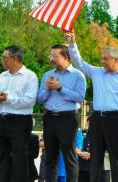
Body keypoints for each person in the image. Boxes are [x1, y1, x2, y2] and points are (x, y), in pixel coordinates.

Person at [68, 32, 118, 182]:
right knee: (95, 160)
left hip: (117, 121)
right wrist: (73, 44)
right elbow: (79, 62)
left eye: (105, 59)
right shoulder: (97, 72)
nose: (102, 62)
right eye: (102, 58)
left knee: (116, 159)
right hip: (97, 120)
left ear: (116, 60)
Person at [38, 44, 86, 182]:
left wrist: (60, 89)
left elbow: (79, 98)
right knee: (50, 158)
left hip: (68, 118)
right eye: (51, 55)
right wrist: (48, 89)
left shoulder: (78, 75)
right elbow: (40, 99)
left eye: (55, 56)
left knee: (69, 157)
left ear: (66, 57)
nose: (52, 58)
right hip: (49, 118)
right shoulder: (48, 74)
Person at [0, 45, 38, 182]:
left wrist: (7, 98)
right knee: (2, 157)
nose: (2, 61)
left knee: (19, 158)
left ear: (15, 58)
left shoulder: (30, 76)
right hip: (2, 119)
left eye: (5, 58)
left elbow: (29, 101)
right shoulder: (2, 76)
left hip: (20, 121)